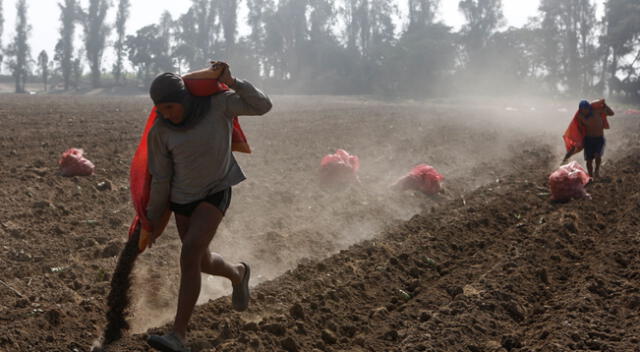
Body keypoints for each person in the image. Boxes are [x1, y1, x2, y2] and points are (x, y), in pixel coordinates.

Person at [144, 62, 272, 352]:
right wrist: (151, 220)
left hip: (215, 190)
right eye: (160, 110)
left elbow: (263, 106)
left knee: (189, 253)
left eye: (170, 108)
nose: (166, 115)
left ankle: (178, 336)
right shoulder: (160, 131)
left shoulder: (219, 105)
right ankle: (238, 274)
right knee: (200, 260)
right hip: (181, 199)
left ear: (184, 100)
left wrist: (235, 82)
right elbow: (161, 179)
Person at [575, 99, 615, 179]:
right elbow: (579, 129)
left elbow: (611, 113)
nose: (584, 111)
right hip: (588, 140)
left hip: (599, 139)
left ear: (589, 108)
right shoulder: (580, 117)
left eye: (585, 109)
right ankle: (590, 176)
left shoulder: (597, 111)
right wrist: (579, 141)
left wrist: (605, 105)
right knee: (588, 160)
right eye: (582, 110)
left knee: (598, 156)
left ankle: (596, 171)